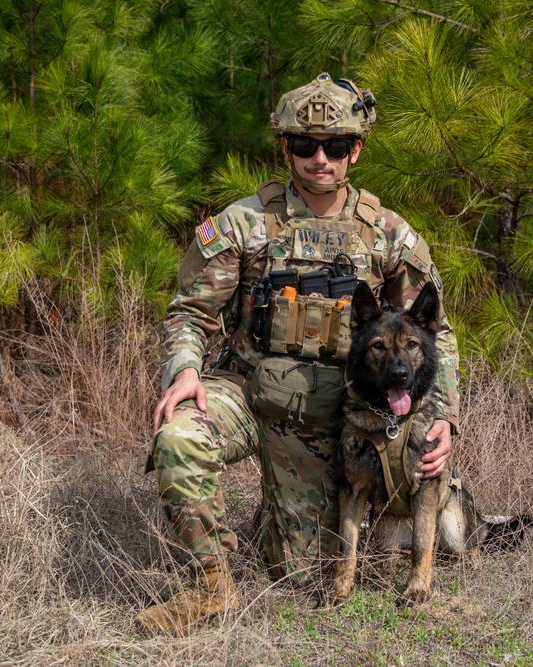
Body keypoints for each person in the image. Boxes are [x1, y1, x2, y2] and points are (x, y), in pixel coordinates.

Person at [136, 73, 461, 637]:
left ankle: (277, 517)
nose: (319, 158)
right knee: (179, 436)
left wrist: (446, 418)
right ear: (285, 146)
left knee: (303, 574)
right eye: (304, 145)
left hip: (335, 426)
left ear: (355, 149)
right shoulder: (243, 224)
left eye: (335, 146)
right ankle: (208, 587)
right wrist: (186, 371)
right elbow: (189, 313)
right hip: (248, 394)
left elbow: (436, 335)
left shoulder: (386, 235)